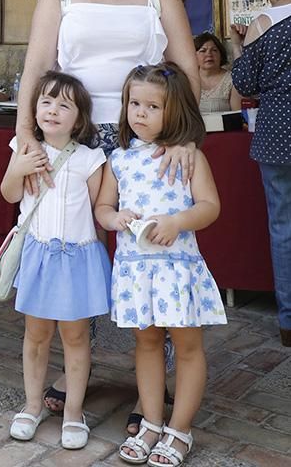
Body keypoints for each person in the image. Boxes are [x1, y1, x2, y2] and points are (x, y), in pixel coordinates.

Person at [15, 0, 200, 419]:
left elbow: (187, 70)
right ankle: (78, 365)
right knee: (70, 246)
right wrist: (27, 131)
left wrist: (183, 136)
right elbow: (35, 67)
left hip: (142, 138)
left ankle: (153, 384)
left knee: (148, 252)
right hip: (69, 138)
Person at [95, 64, 226, 465]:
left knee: (187, 347)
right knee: (147, 343)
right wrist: (115, 218)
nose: (140, 113)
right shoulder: (118, 159)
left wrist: (177, 222)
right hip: (136, 269)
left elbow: (210, 207)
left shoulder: (188, 158)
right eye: (135, 103)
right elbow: (103, 207)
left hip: (177, 268)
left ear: (175, 112)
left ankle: (180, 429)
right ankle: (151, 421)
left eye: (152, 106)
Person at [2, 71, 110, 451]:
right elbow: (8, 194)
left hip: (77, 257)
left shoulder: (90, 159)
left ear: (78, 119)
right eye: (46, 101)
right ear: (34, 109)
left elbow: (101, 211)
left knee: (76, 336)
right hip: (39, 253)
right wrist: (20, 168)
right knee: (36, 334)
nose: (53, 110)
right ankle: (32, 406)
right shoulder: (24, 149)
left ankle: (73, 412)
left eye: (64, 105)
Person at [231, 0, 291, 348]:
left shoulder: (263, 23)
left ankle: (288, 320)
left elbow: (245, 83)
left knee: (283, 227)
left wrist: (238, 46)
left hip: (276, 137)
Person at [194, 32, 241, 114]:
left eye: (214, 50)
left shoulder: (232, 80)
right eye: (203, 51)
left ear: (221, 55)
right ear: (193, 55)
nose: (209, 54)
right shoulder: (188, 80)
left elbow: (237, 114)